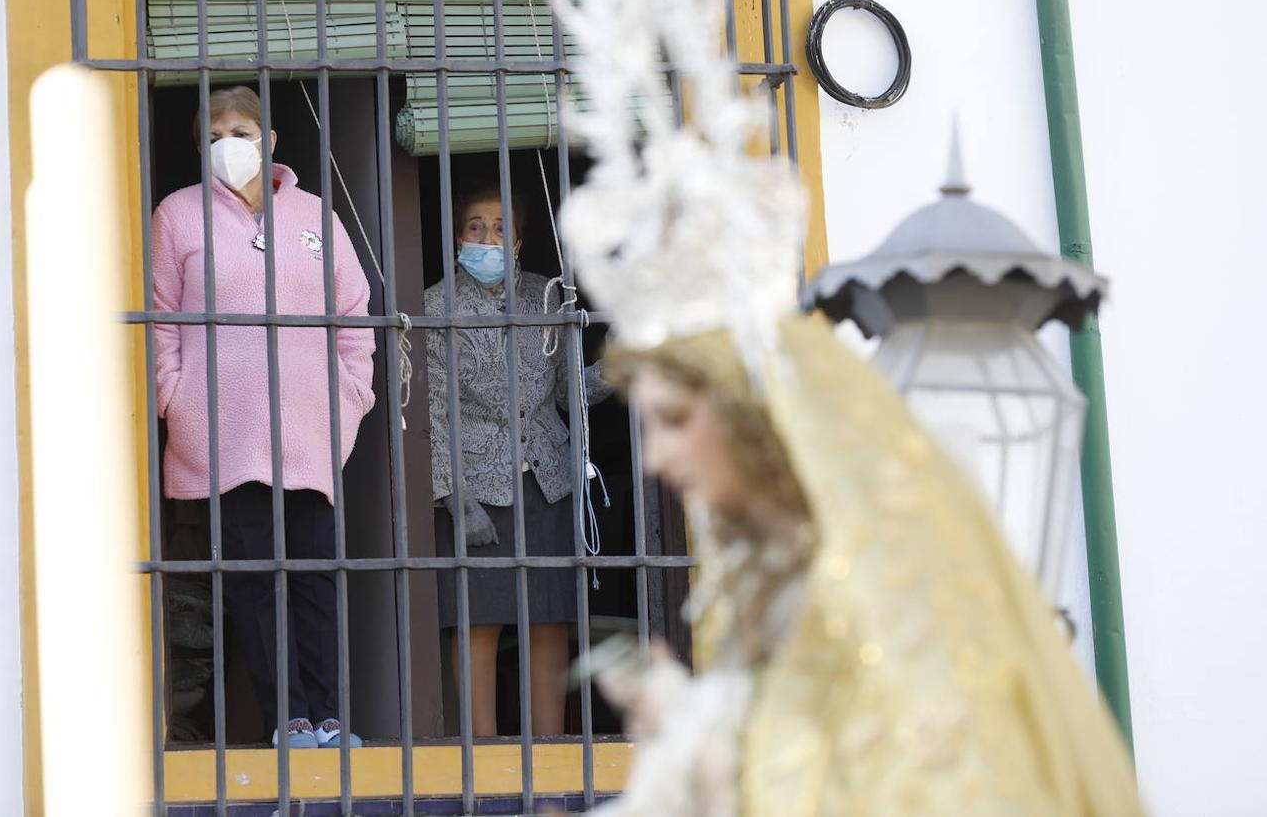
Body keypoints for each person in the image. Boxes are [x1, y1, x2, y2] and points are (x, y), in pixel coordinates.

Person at [591, 318, 1145, 815]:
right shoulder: (756, 574)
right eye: (647, 428)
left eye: (676, 420)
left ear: (751, 413)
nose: (655, 458)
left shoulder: (868, 578)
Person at [151, 86, 376, 750]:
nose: (231, 144)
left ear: (270, 140)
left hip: (310, 433)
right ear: (200, 145)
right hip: (221, 436)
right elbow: (159, 321)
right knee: (255, 589)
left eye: (243, 130)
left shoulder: (315, 216)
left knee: (314, 584)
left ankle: (331, 720)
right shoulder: (178, 216)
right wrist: (176, 399)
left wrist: (350, 400)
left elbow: (354, 317)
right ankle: (290, 721)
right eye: (216, 132)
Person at [424, 184, 611, 737]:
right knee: (477, 622)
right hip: (477, 488)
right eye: (475, 226)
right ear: (458, 236)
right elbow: (431, 412)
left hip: (547, 480)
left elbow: (566, 392)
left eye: (502, 227)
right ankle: (482, 754)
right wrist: (454, 497)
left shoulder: (548, 298)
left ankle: (550, 750)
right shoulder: (436, 306)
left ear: (522, 239)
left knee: (549, 620)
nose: (488, 238)